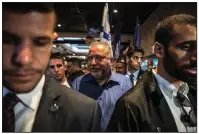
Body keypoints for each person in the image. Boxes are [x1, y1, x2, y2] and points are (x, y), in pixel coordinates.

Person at [2, 3, 101, 132]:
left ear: (52, 39)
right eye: (7, 40)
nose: (24, 59)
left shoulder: (83, 112)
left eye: (40, 42)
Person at [106, 14, 197, 132]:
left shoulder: (193, 91)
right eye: (186, 47)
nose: (196, 57)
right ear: (159, 50)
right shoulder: (131, 104)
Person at [72, 42, 132, 131]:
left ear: (111, 61)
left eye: (98, 58)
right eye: (90, 58)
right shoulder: (78, 83)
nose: (92, 63)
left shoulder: (124, 83)